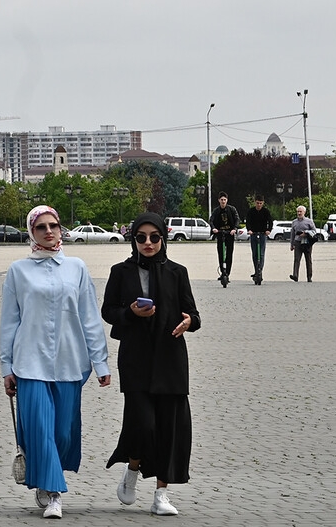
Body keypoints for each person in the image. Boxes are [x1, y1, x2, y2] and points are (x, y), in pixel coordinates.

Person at [0, 205, 112, 520]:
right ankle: (53, 493)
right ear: (31, 232)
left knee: (63, 432)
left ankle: (46, 474)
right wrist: (6, 368)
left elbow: (90, 318)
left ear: (61, 230)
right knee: (39, 428)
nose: (49, 232)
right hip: (29, 364)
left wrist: (100, 363)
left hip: (69, 362)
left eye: (54, 226)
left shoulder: (76, 267)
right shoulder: (18, 271)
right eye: (41, 228)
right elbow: (9, 322)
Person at [102, 213, 201, 517]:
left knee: (169, 428)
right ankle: (132, 468)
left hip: (170, 358)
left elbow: (193, 314)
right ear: (133, 239)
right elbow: (108, 311)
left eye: (154, 237)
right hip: (136, 359)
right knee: (143, 424)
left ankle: (161, 494)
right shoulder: (121, 271)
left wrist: (189, 322)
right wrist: (131, 313)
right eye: (141, 237)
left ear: (163, 239)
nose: (148, 243)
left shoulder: (177, 272)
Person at [209, 192, 239, 288]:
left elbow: (237, 219)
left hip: (229, 234)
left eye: (224, 200)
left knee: (229, 254)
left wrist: (234, 229)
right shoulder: (216, 211)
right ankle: (223, 272)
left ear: (227, 200)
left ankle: (227, 273)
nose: (223, 201)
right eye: (221, 200)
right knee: (221, 254)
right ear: (219, 200)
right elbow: (211, 220)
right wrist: (213, 228)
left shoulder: (232, 209)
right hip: (220, 234)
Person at [244, 196, 272, 285]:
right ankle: (256, 270)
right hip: (254, 234)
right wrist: (249, 230)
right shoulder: (251, 211)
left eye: (260, 203)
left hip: (263, 234)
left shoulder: (266, 211)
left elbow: (270, 221)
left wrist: (268, 230)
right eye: (257, 203)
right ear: (255, 202)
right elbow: (247, 221)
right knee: (255, 253)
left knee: (261, 253)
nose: (259, 205)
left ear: (263, 203)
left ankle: (259, 271)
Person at [289, 205, 316, 282]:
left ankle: (309, 277)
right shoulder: (294, 222)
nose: (299, 213)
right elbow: (292, 234)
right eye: (298, 211)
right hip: (298, 242)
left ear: (304, 212)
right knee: (296, 259)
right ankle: (295, 275)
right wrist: (292, 244)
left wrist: (306, 233)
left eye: (301, 211)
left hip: (307, 242)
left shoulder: (309, 221)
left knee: (308, 260)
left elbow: (314, 231)